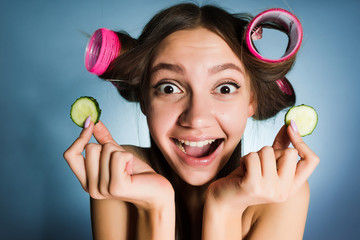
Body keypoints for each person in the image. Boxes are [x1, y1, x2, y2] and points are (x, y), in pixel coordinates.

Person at [64, 3, 319, 240]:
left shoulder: (283, 191)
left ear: (251, 100)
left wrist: (225, 208)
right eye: (169, 88)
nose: (196, 119)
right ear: (143, 98)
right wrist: (156, 206)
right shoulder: (119, 174)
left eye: (225, 88)